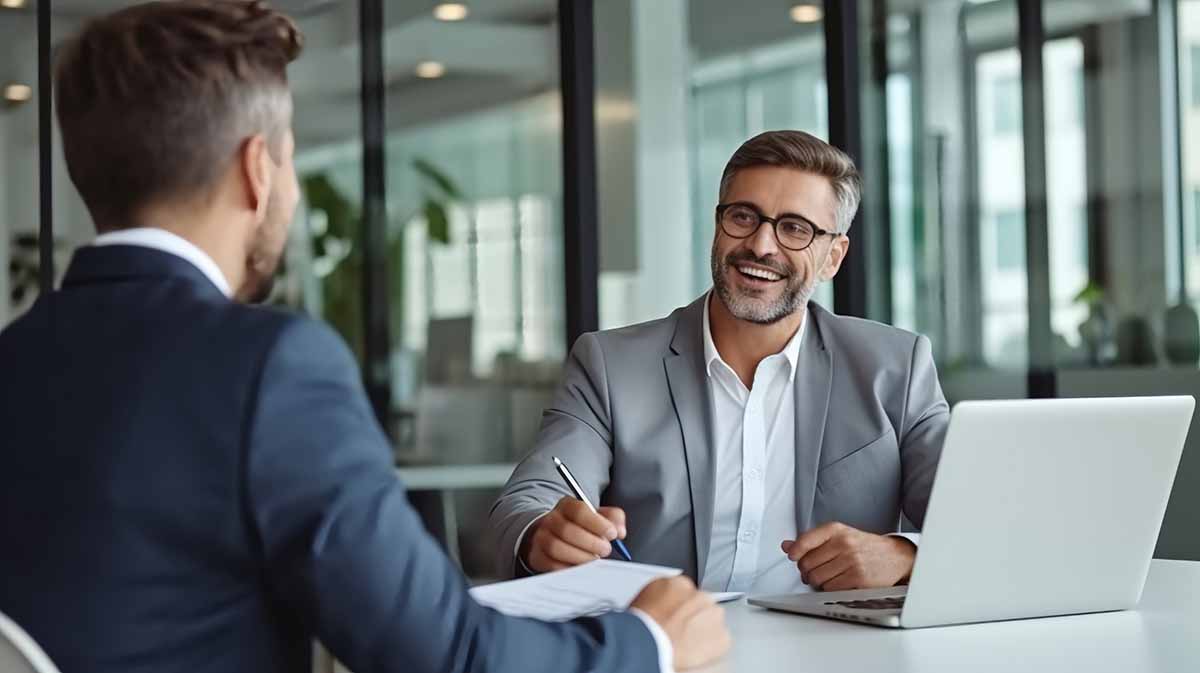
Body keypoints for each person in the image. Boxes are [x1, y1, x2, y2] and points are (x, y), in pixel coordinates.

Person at [0, 2, 729, 672]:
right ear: (258, 169)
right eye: (288, 155)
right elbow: (441, 654)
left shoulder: (17, 353)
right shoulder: (268, 364)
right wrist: (651, 639)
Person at [490, 130, 950, 596]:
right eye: (743, 216)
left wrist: (906, 555)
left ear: (833, 256)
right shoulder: (611, 365)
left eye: (795, 228)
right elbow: (528, 501)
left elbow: (980, 524)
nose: (762, 245)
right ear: (718, 225)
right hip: (670, 647)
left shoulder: (894, 367)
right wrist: (540, 536)